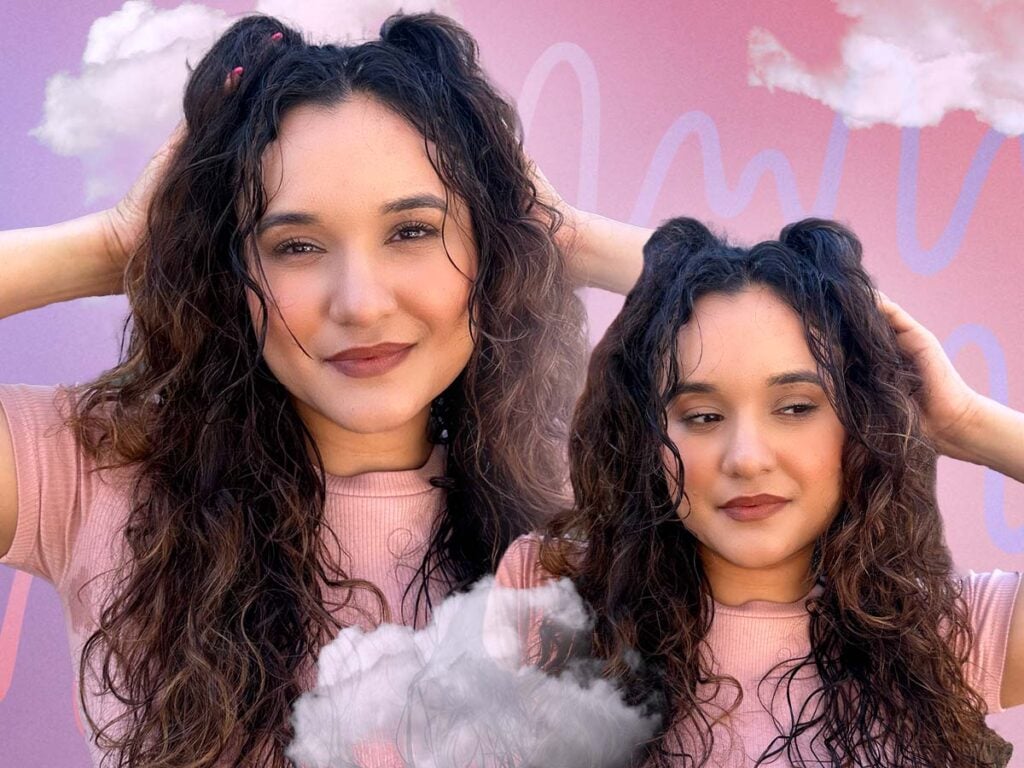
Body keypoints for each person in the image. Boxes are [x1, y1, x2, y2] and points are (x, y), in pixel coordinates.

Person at [0, 13, 647, 768]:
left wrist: (568, 239)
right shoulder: (94, 473)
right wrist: (111, 244)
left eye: (411, 231)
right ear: (230, 271)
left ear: (492, 248)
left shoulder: (595, 509)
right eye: (297, 246)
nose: (361, 303)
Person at [498, 217, 1024, 766]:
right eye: (702, 416)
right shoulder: (552, 597)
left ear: (860, 422)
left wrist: (965, 422)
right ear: (645, 438)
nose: (746, 458)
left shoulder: (944, 634)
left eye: (795, 407)